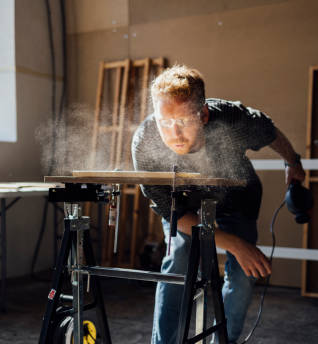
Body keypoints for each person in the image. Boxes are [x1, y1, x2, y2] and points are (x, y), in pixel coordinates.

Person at [131, 65, 306, 343]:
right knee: (178, 263)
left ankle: (225, 341)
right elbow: (174, 215)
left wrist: (293, 161)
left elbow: (269, 131)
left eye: (183, 121)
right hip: (185, 206)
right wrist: (235, 245)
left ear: (203, 114)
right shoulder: (145, 142)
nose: (173, 133)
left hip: (237, 200)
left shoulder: (232, 119)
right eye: (165, 122)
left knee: (242, 276)